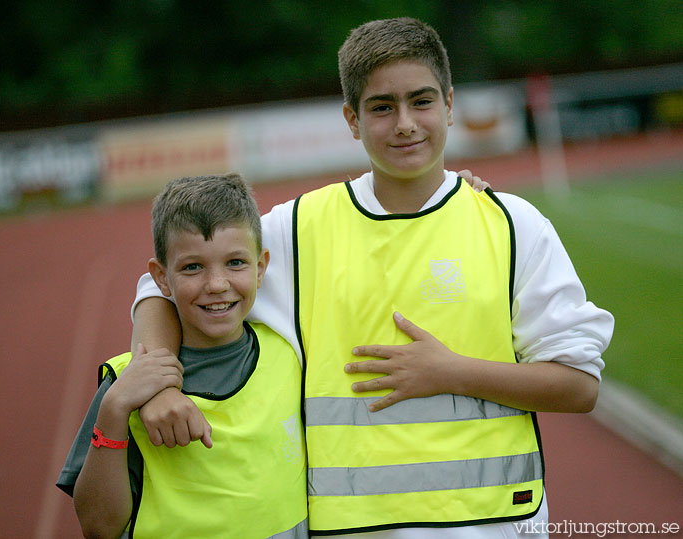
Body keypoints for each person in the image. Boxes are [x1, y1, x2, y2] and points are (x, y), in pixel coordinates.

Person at [131, 17, 614, 538]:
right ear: (352, 119)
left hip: (495, 525)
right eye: (382, 107)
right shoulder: (298, 229)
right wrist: (155, 384)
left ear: (450, 105)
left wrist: (451, 372)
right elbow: (161, 287)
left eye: (422, 101)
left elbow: (579, 385)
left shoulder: (511, 224)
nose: (405, 123)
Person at [57, 174, 308, 538]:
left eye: (235, 262)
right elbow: (98, 526)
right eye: (193, 267)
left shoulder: (288, 349)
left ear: (261, 267)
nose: (217, 284)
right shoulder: (127, 383)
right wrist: (113, 412)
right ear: (161, 277)